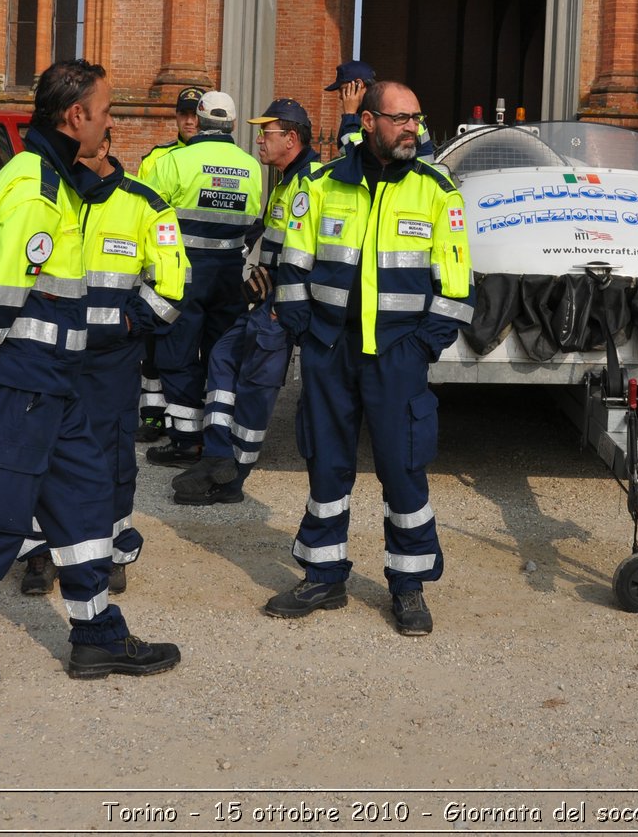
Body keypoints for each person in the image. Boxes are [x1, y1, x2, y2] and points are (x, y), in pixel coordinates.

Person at [0, 59, 180, 707]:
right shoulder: (36, 187)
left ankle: (96, 633)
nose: (110, 124)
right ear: (76, 116)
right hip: (26, 388)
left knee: (82, 508)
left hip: (60, 386)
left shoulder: (58, 180)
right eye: (105, 112)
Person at [267, 81, 474, 635]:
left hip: (396, 354)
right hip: (329, 349)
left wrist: (423, 344)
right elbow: (294, 263)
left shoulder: (438, 190)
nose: (413, 128)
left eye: (417, 118)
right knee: (326, 465)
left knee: (403, 469)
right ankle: (323, 574)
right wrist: (305, 331)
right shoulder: (320, 184)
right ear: (369, 121)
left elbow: (455, 283)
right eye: (401, 118)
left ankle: (408, 586)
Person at [19, 127, 189, 595]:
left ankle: (112, 550)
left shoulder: (147, 205)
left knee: (109, 456)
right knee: (41, 450)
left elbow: (172, 287)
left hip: (110, 359)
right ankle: (40, 554)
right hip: (48, 352)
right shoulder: (52, 196)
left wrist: (128, 326)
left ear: (104, 146)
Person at [171, 97, 318, 505]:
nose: (258, 141)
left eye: (266, 133)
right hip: (263, 300)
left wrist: (281, 303)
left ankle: (233, 478)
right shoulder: (287, 181)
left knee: (256, 389)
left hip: (280, 308)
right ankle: (216, 456)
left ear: (290, 138)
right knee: (221, 356)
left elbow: (307, 255)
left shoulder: (310, 184)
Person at [142, 91, 264, 467]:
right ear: (230, 124)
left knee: (178, 353)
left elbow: (148, 218)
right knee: (220, 356)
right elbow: (252, 222)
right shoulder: (251, 166)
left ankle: (185, 440)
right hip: (229, 274)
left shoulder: (176, 161)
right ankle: (218, 435)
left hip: (183, 275)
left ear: (200, 118)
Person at [133, 85, 205, 443]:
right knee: (153, 346)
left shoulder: (218, 157)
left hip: (204, 271)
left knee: (192, 348)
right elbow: (139, 211)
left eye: (195, 113)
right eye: (183, 113)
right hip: (162, 270)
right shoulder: (156, 159)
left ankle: (188, 419)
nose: (190, 120)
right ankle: (152, 416)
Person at [326, 60, 433, 158]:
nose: (340, 96)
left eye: (343, 89)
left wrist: (349, 115)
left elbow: (353, 155)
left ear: (359, 84)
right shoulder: (359, 115)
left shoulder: (386, 112)